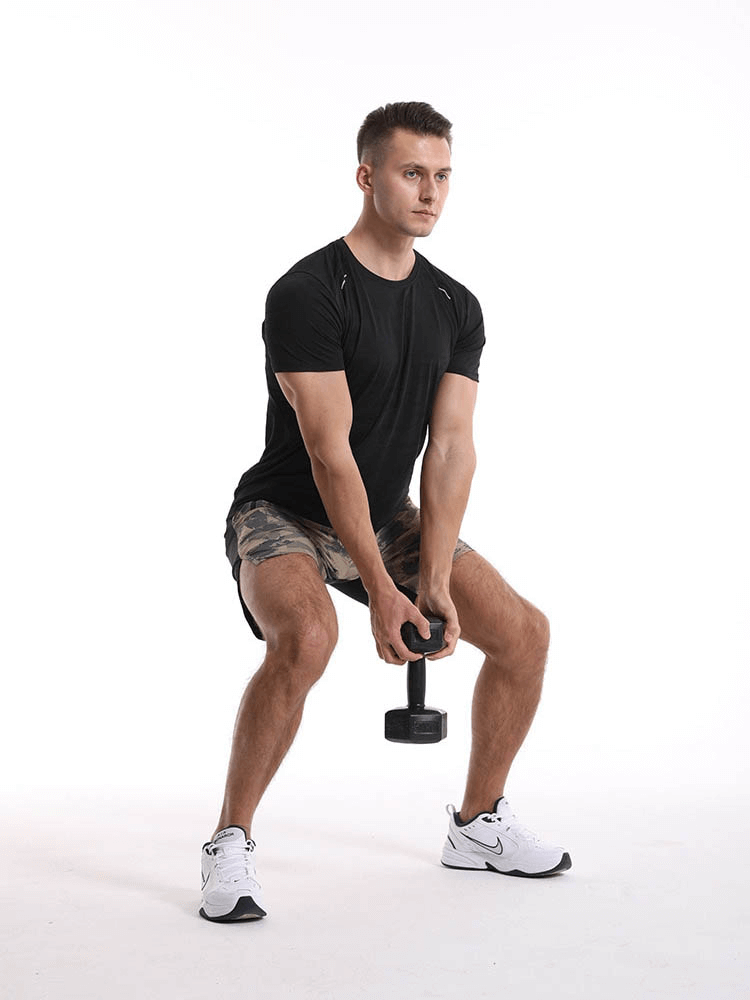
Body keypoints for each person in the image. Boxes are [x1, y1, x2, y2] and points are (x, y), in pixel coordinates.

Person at [199, 101, 571, 923]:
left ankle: (477, 825)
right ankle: (230, 841)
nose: (430, 192)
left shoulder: (455, 305)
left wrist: (432, 577)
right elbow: (330, 457)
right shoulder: (307, 292)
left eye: (442, 176)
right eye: (412, 173)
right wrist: (379, 591)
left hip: (388, 509)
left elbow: (451, 449)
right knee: (308, 637)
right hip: (287, 511)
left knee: (523, 635)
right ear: (367, 176)